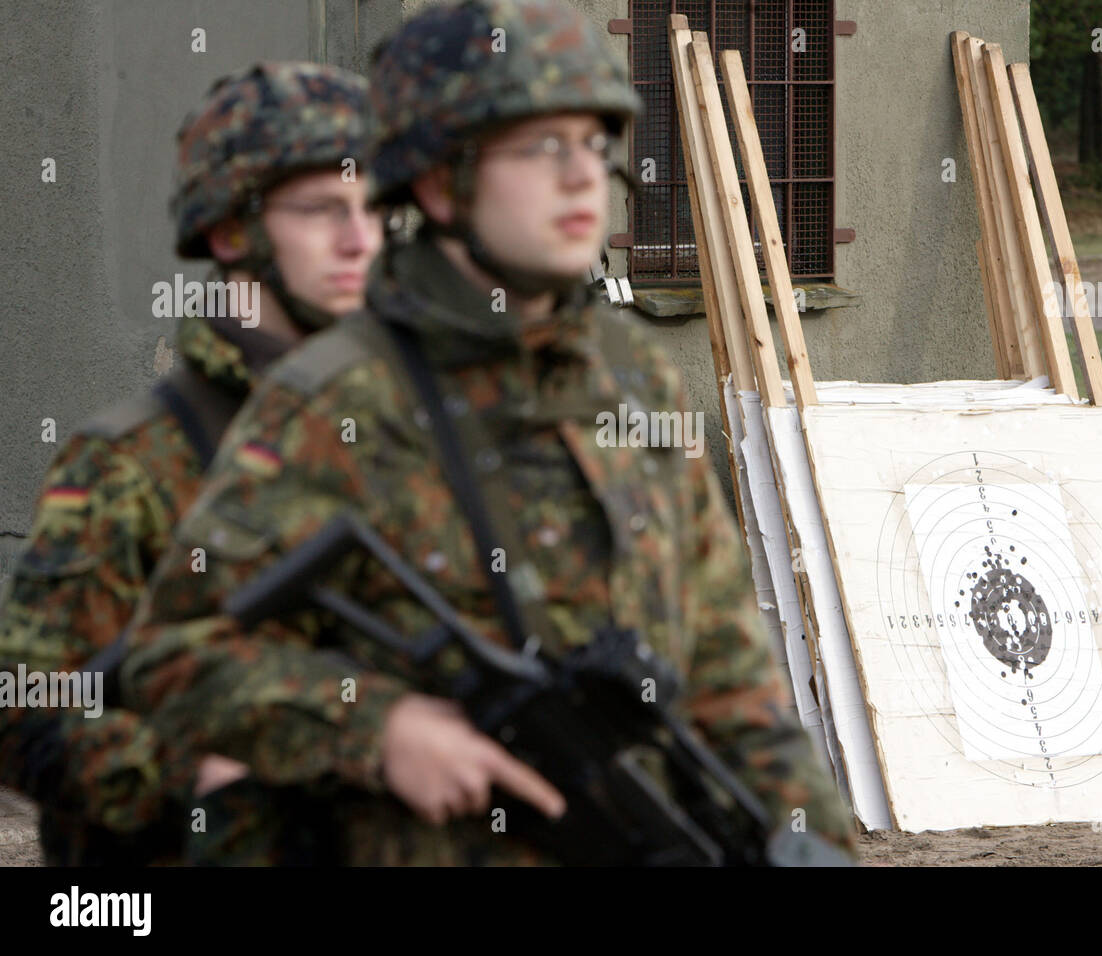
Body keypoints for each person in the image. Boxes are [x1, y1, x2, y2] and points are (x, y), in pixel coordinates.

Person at [121, 0, 856, 865]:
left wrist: (806, 829)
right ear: (440, 182)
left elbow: (729, 661)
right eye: (542, 147)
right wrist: (379, 728)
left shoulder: (631, 375)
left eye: (594, 142)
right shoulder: (341, 398)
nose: (584, 175)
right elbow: (174, 660)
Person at [0, 61, 384, 865]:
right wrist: (203, 779)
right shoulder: (132, 462)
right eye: (322, 211)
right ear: (230, 231)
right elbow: (28, 710)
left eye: (373, 208)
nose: (360, 240)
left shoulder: (401, 436)